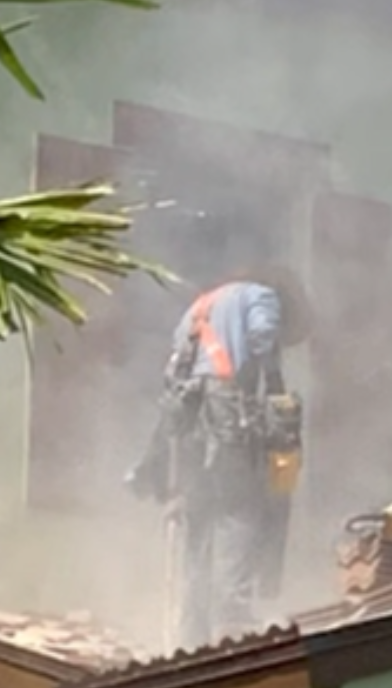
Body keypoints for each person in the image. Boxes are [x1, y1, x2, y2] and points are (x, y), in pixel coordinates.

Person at [125, 265, 312, 649]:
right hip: (225, 426)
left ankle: (191, 638)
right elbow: (261, 338)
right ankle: (233, 627)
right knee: (240, 516)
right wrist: (276, 394)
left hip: (188, 433)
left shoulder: (198, 308)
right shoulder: (262, 295)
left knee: (198, 528)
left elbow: (174, 370)